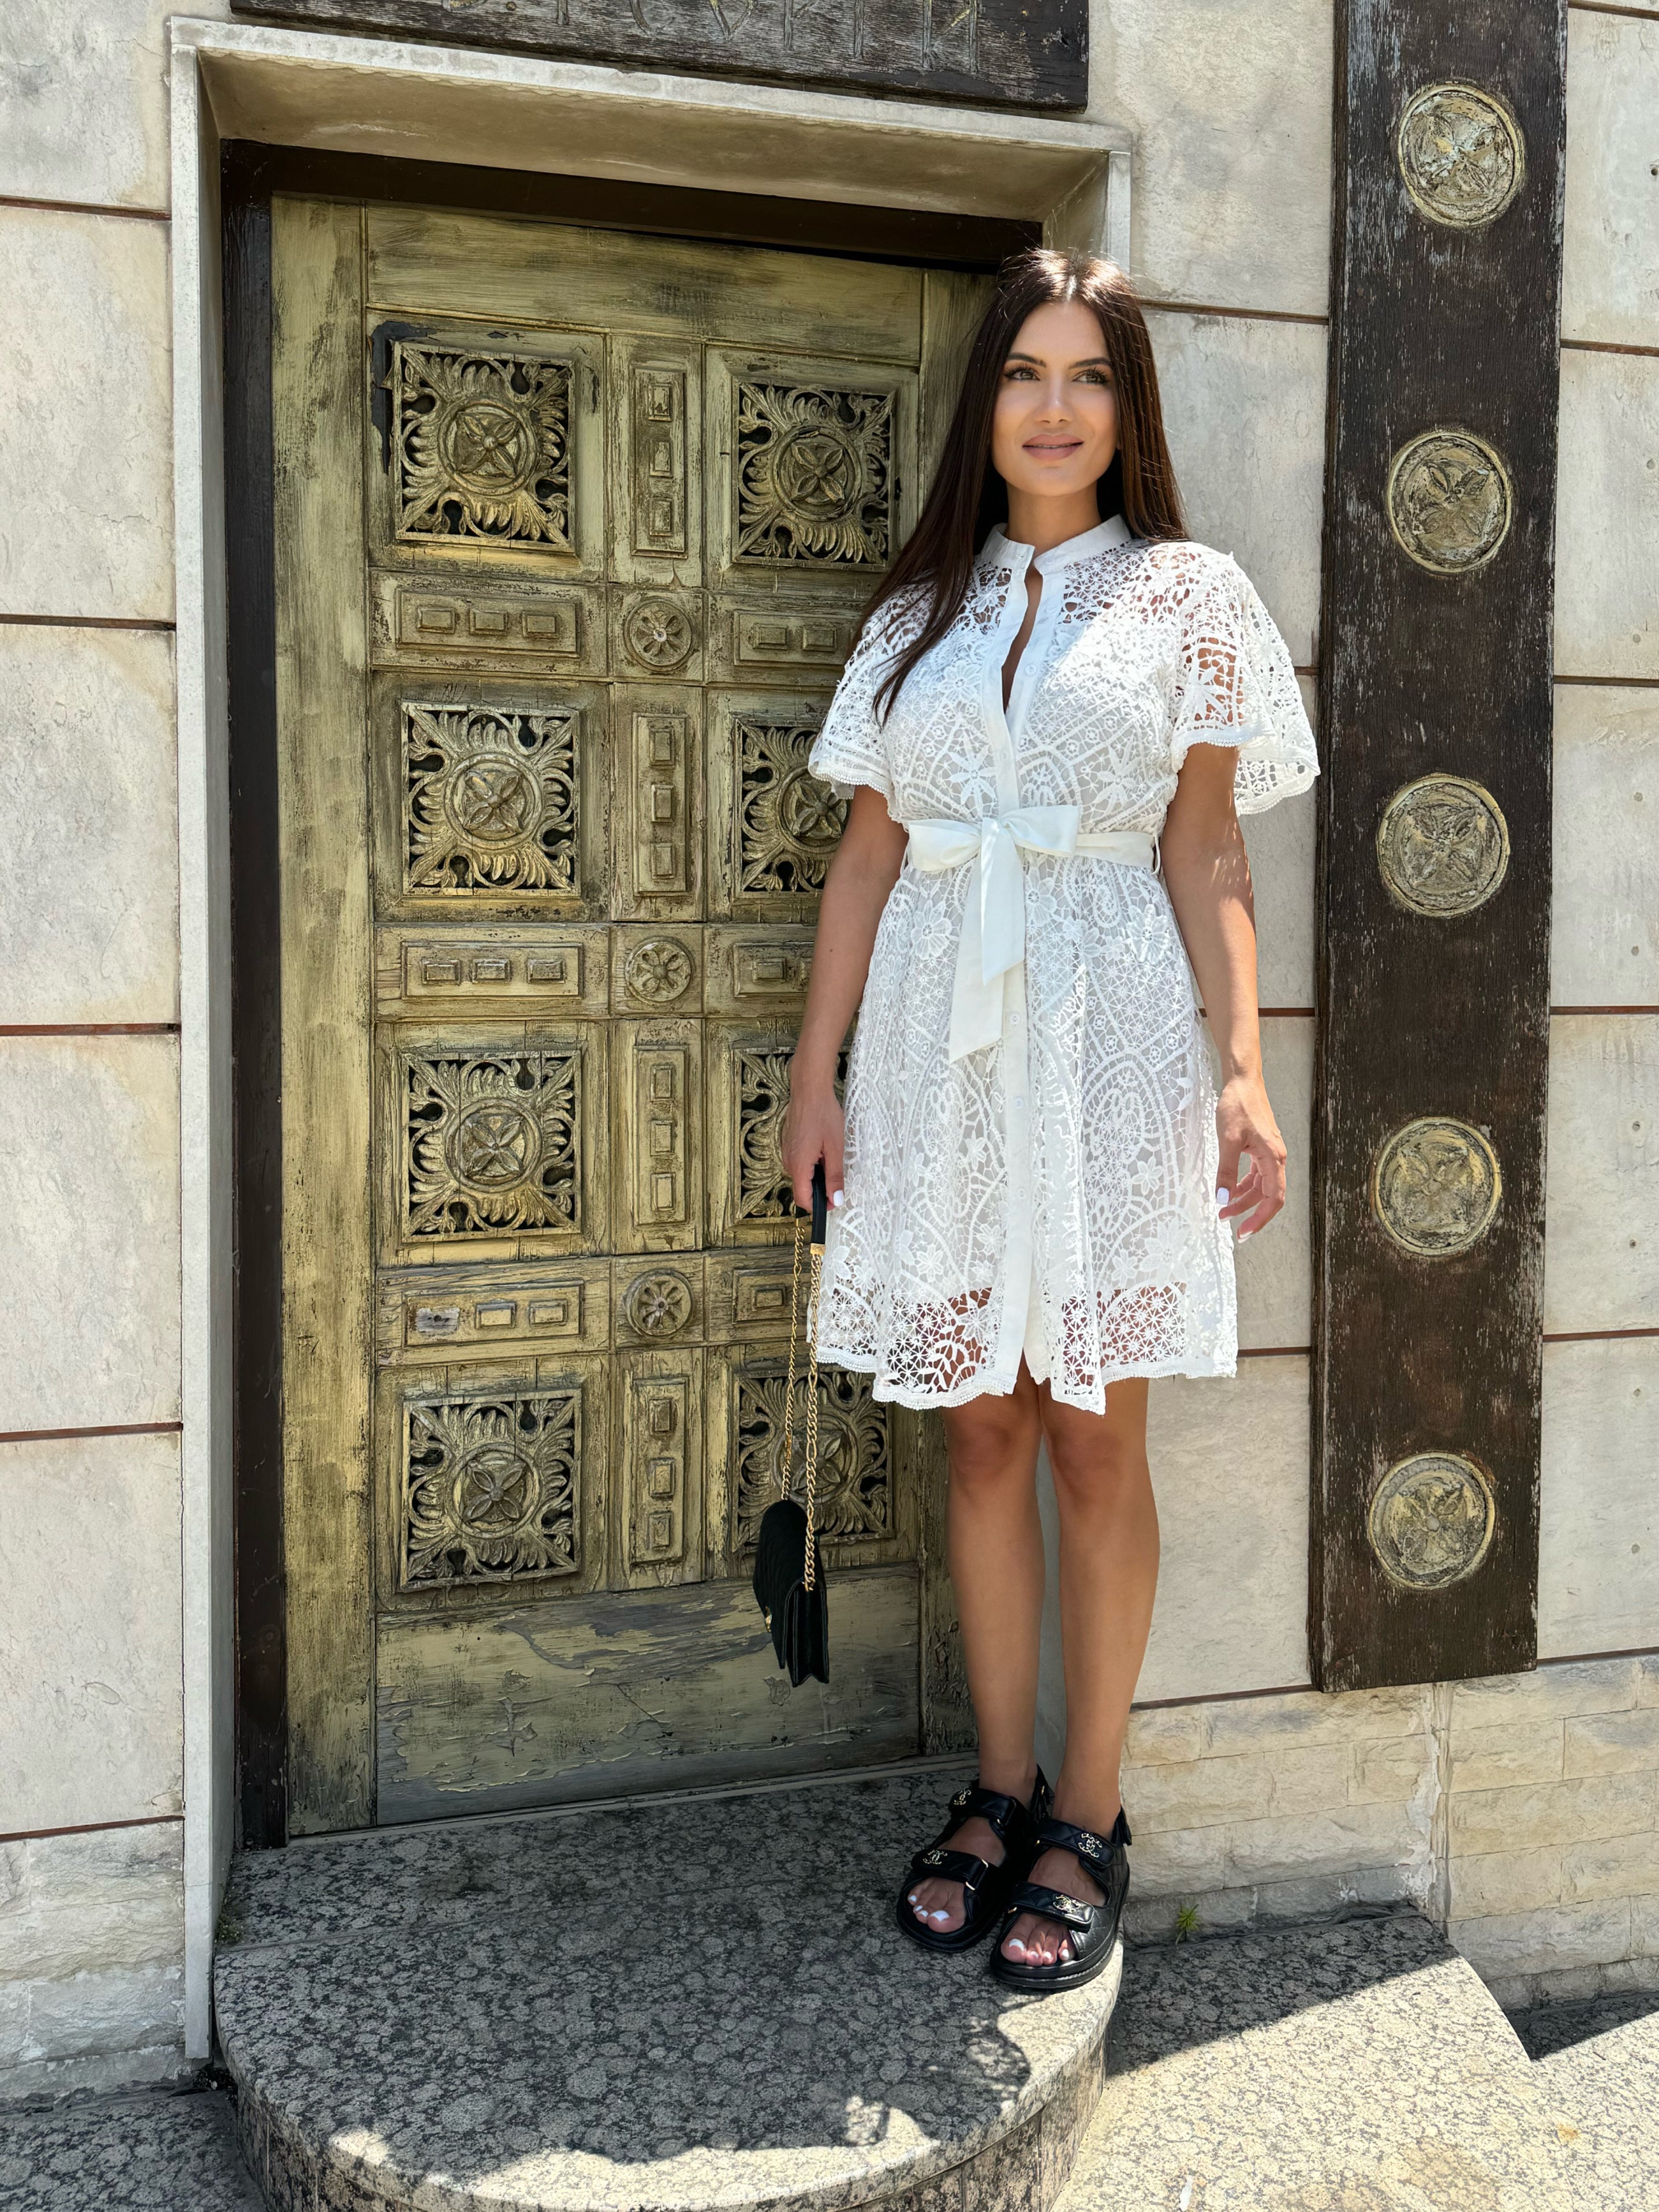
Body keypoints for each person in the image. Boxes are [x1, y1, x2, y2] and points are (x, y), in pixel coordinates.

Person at [779, 247, 1319, 1990]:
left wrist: (1241, 1068)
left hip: (1109, 1045)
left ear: (1126, 406)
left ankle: (1087, 1813)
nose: (1055, 406)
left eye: (1088, 374)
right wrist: (815, 1072)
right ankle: (995, 1785)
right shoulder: (914, 618)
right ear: (987, 402)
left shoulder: (1187, 598)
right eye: (1025, 372)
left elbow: (1208, 850)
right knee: (980, 1433)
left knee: (1092, 1432)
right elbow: (866, 860)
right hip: (937, 1056)